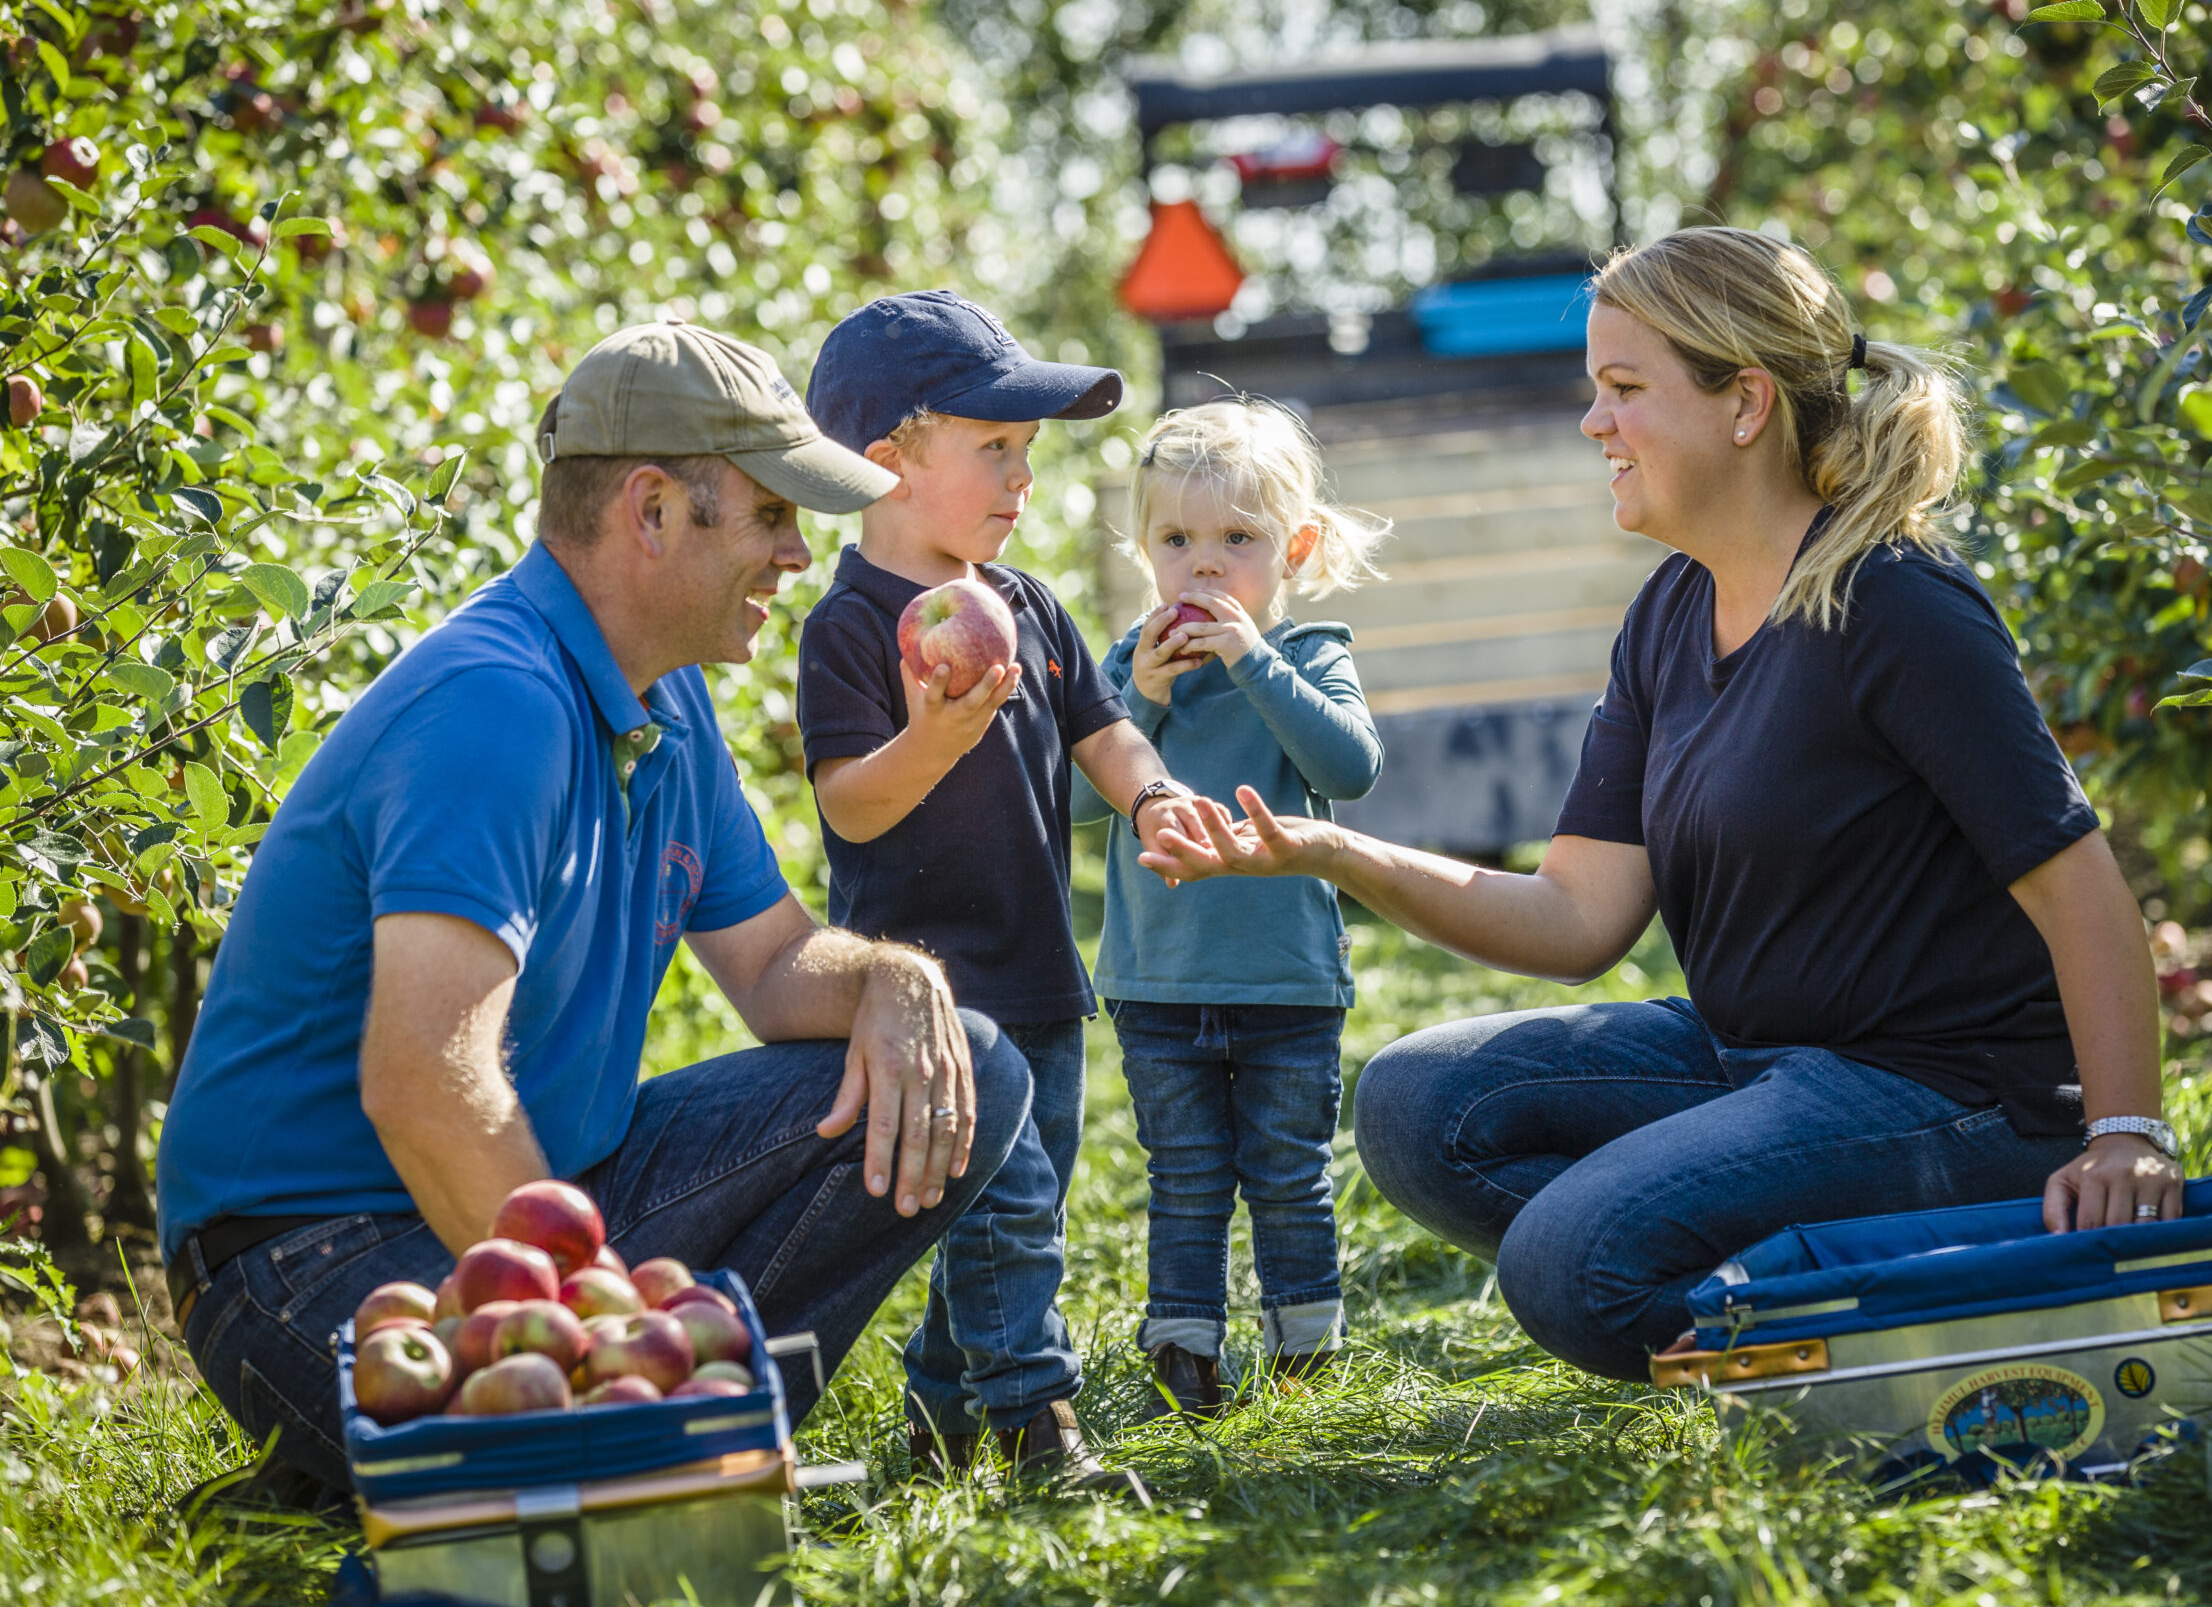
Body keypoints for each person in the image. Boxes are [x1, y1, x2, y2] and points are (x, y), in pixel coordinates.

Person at [1137, 227, 2185, 1382]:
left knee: (1564, 1266)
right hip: (1752, 1058)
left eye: (1625, 390)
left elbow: (2081, 888)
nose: (1595, 423)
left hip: (1951, 1101)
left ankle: (1937, 1281)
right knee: (1412, 1107)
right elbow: (1578, 920)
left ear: (1743, 404)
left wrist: (2124, 1132)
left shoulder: (1895, 605)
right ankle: (1795, 1264)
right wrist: (1331, 852)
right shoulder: (1670, 613)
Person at [158, 322, 1030, 1505]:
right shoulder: (496, 706)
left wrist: (888, 978)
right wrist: (599, 1330)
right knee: (602, 1489)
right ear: (654, 508)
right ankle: (622, 1453)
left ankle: (635, 1448)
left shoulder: (662, 697)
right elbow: (422, 1079)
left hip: (535, 1188)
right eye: (772, 514)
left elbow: (773, 965)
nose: (794, 552)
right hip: (311, 1254)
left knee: (963, 1063)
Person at [795, 291, 1197, 1490]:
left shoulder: (1024, 605)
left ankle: (939, 1416)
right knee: (1009, 1209)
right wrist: (935, 734)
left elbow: (1103, 727)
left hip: (1034, 971)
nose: (1023, 478)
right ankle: (1037, 1425)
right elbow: (849, 802)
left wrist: (1154, 797)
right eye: (995, 449)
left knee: (1013, 1208)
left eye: (1028, 451)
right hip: (930, 1001)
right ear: (888, 464)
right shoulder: (854, 629)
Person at [1068, 400, 1387, 1419]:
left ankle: (1305, 1351)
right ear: (1145, 549)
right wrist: (1142, 702)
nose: (1204, 569)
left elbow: (1349, 765)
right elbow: (1071, 802)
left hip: (1286, 977)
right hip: (1157, 978)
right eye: (1177, 541)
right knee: (1187, 1175)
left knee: (1289, 1174)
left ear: (1290, 550)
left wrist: (1254, 662)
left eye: (1237, 541)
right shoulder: (1123, 672)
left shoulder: (1310, 655)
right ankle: (1184, 1351)